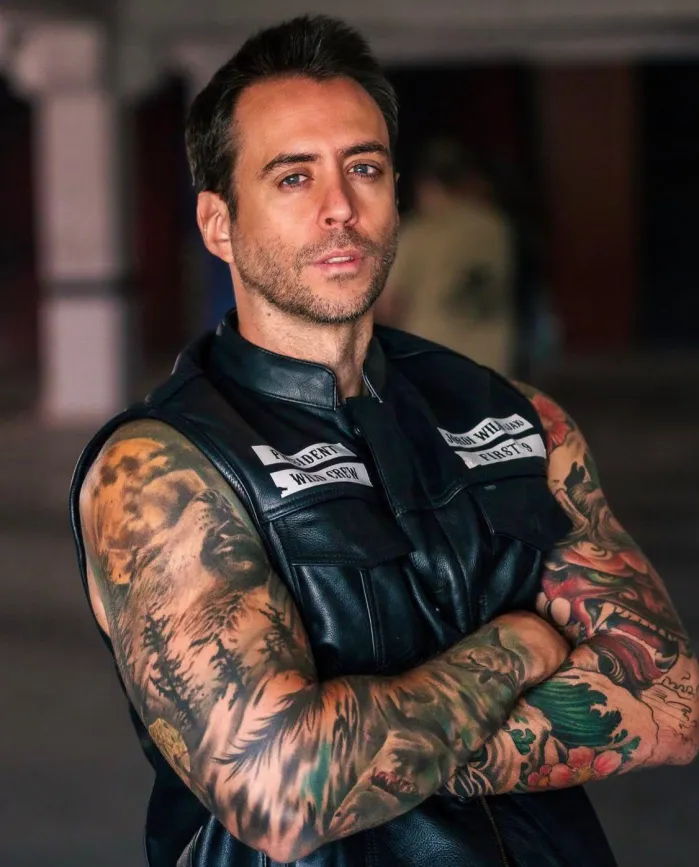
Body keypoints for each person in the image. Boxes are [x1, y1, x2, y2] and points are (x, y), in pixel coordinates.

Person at [70, 15, 698, 867]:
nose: (339, 207)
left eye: (362, 168)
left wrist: (365, 757)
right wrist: (520, 644)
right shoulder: (162, 467)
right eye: (293, 177)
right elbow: (280, 795)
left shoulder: (516, 416)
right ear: (218, 223)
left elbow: (670, 702)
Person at [378, 138, 516, 375]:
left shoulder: (418, 233)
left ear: (428, 185)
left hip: (433, 362)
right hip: (493, 359)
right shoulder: (496, 225)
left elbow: (389, 306)